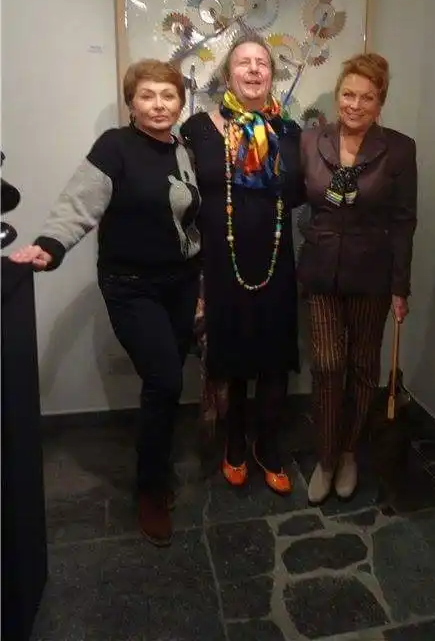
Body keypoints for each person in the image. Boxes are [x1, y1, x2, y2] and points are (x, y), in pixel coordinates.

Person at [9, 59, 202, 546]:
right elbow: (79, 204)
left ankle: (156, 464)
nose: (158, 105)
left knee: (166, 383)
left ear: (180, 103)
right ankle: (150, 488)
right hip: (131, 285)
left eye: (168, 96)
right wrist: (49, 245)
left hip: (181, 283)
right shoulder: (115, 147)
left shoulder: (183, 149)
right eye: (147, 95)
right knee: (165, 379)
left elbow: (190, 217)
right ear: (131, 103)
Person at [181, 34, 304, 495]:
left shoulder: (289, 133)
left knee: (273, 359)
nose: (253, 70)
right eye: (243, 63)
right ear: (227, 75)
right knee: (231, 357)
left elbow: (301, 192)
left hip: (275, 260)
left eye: (262, 63)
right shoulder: (198, 128)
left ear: (272, 74)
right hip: (221, 262)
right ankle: (234, 442)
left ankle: (267, 445)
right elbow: (181, 193)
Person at [298, 52, 417, 505]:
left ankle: (349, 452)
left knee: (364, 367)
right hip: (321, 272)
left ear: (380, 102)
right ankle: (326, 458)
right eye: (348, 94)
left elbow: (404, 220)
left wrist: (400, 286)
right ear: (337, 96)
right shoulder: (311, 141)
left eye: (367, 97)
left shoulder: (399, 148)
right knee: (329, 367)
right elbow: (290, 197)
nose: (355, 104)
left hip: (373, 274)